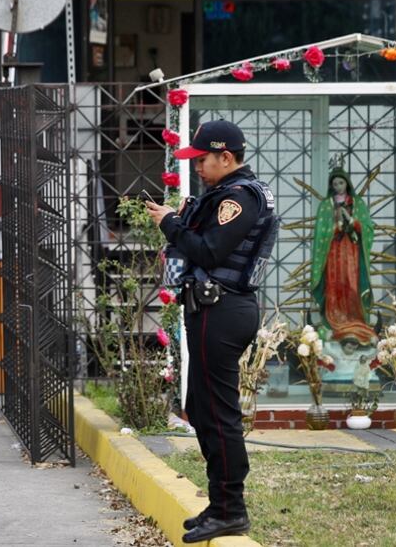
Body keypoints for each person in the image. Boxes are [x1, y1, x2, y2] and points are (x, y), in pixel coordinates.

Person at [144, 120, 279, 543]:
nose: (197, 167)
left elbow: (209, 250)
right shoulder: (225, 195)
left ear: (226, 156)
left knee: (219, 413)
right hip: (211, 309)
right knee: (200, 408)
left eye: (202, 160)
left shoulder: (240, 198)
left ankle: (230, 509)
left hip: (222, 310)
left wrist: (170, 223)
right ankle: (219, 503)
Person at [310, 164, 377, 345]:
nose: (338, 186)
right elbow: (320, 234)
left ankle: (354, 320)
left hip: (352, 253)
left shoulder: (357, 203)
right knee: (334, 285)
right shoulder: (326, 206)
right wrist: (336, 227)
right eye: (335, 183)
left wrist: (353, 222)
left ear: (347, 183)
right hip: (332, 253)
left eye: (341, 182)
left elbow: (368, 229)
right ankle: (334, 323)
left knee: (351, 286)